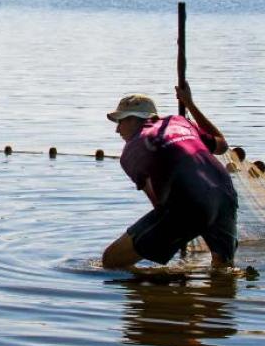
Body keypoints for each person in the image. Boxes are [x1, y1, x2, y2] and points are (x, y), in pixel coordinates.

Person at [101, 83, 237, 269]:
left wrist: (177, 235)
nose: (117, 130)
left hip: (189, 205)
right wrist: (189, 104)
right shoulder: (179, 122)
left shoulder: (132, 150)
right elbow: (221, 145)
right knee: (223, 268)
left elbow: (159, 204)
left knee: (111, 261)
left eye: (120, 122)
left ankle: (161, 288)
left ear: (134, 120)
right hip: (225, 193)